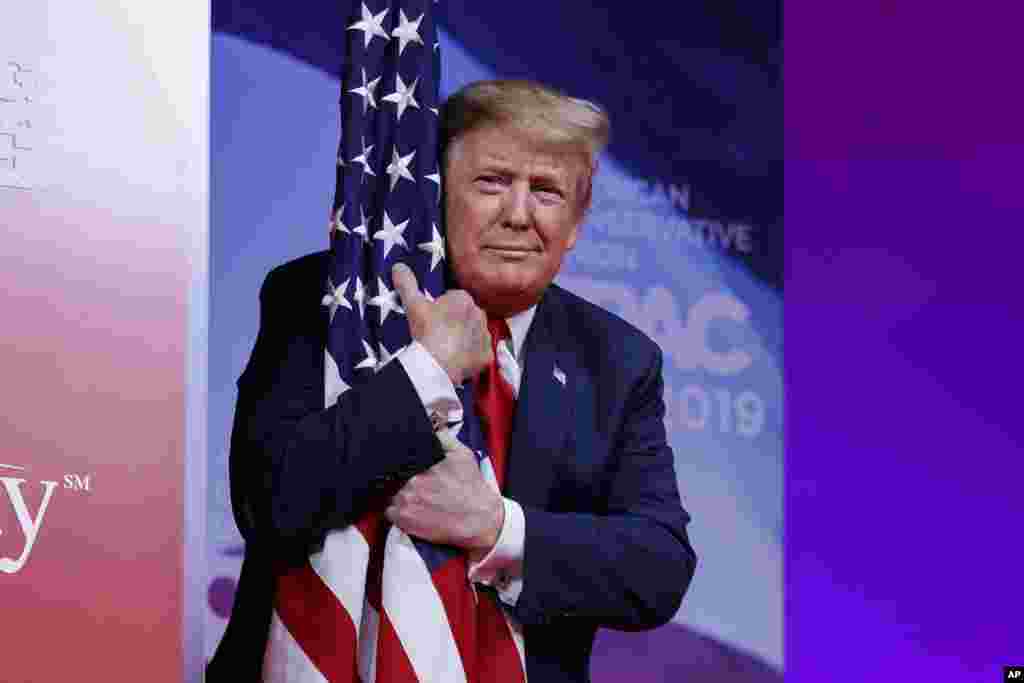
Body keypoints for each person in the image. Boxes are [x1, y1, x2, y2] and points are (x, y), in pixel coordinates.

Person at [209, 79, 697, 681]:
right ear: (436, 192)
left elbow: (659, 566)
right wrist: (426, 372)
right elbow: (270, 500)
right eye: (492, 182)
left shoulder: (617, 360)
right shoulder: (330, 303)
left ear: (576, 221)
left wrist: (494, 528)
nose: (519, 215)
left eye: (546, 191)